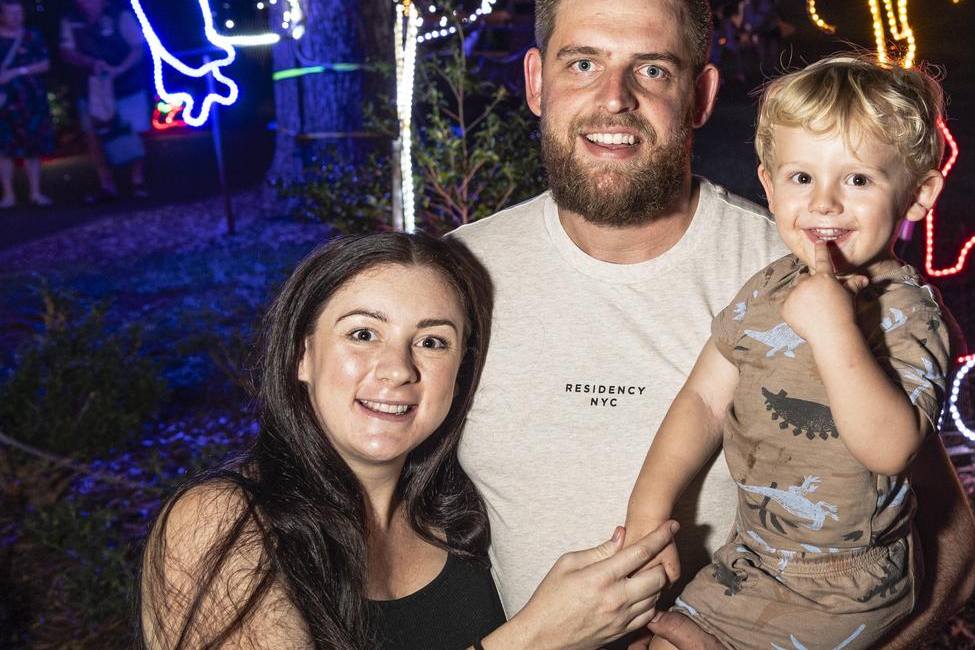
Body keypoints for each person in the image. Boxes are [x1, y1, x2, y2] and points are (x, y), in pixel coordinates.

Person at [449, 0, 975, 650]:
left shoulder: (808, 266)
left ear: (699, 95)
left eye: (652, 69)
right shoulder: (451, 280)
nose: (615, 97)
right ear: (537, 81)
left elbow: (949, 546)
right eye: (583, 63)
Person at [140, 233, 680, 650]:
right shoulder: (221, 521)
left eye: (431, 341)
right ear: (302, 355)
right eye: (362, 333)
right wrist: (535, 638)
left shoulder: (463, 521)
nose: (397, 369)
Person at [626, 54, 952, 649]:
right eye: (802, 178)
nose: (825, 203)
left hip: (847, 584)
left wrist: (833, 330)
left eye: (857, 179)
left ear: (919, 193)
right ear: (769, 187)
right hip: (751, 555)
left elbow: (891, 447)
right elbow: (702, 400)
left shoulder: (909, 313)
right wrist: (650, 509)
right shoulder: (766, 288)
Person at [58, 0, 150, 202]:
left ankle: (137, 181)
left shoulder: (120, 15)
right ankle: (106, 184)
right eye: (85, 1)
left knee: (134, 131)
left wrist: (120, 68)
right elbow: (66, 52)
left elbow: (138, 47)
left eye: (94, 0)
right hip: (91, 88)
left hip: (126, 84)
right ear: (77, 0)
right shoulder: (70, 21)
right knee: (94, 135)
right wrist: (91, 64)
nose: (90, 6)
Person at [0, 0, 53, 209]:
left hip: (31, 99)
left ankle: (35, 191)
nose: (16, 17)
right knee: (4, 148)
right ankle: (8, 194)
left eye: (19, 12)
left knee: (34, 146)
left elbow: (45, 63)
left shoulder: (32, 36)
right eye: (11, 13)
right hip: (4, 102)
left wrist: (17, 71)